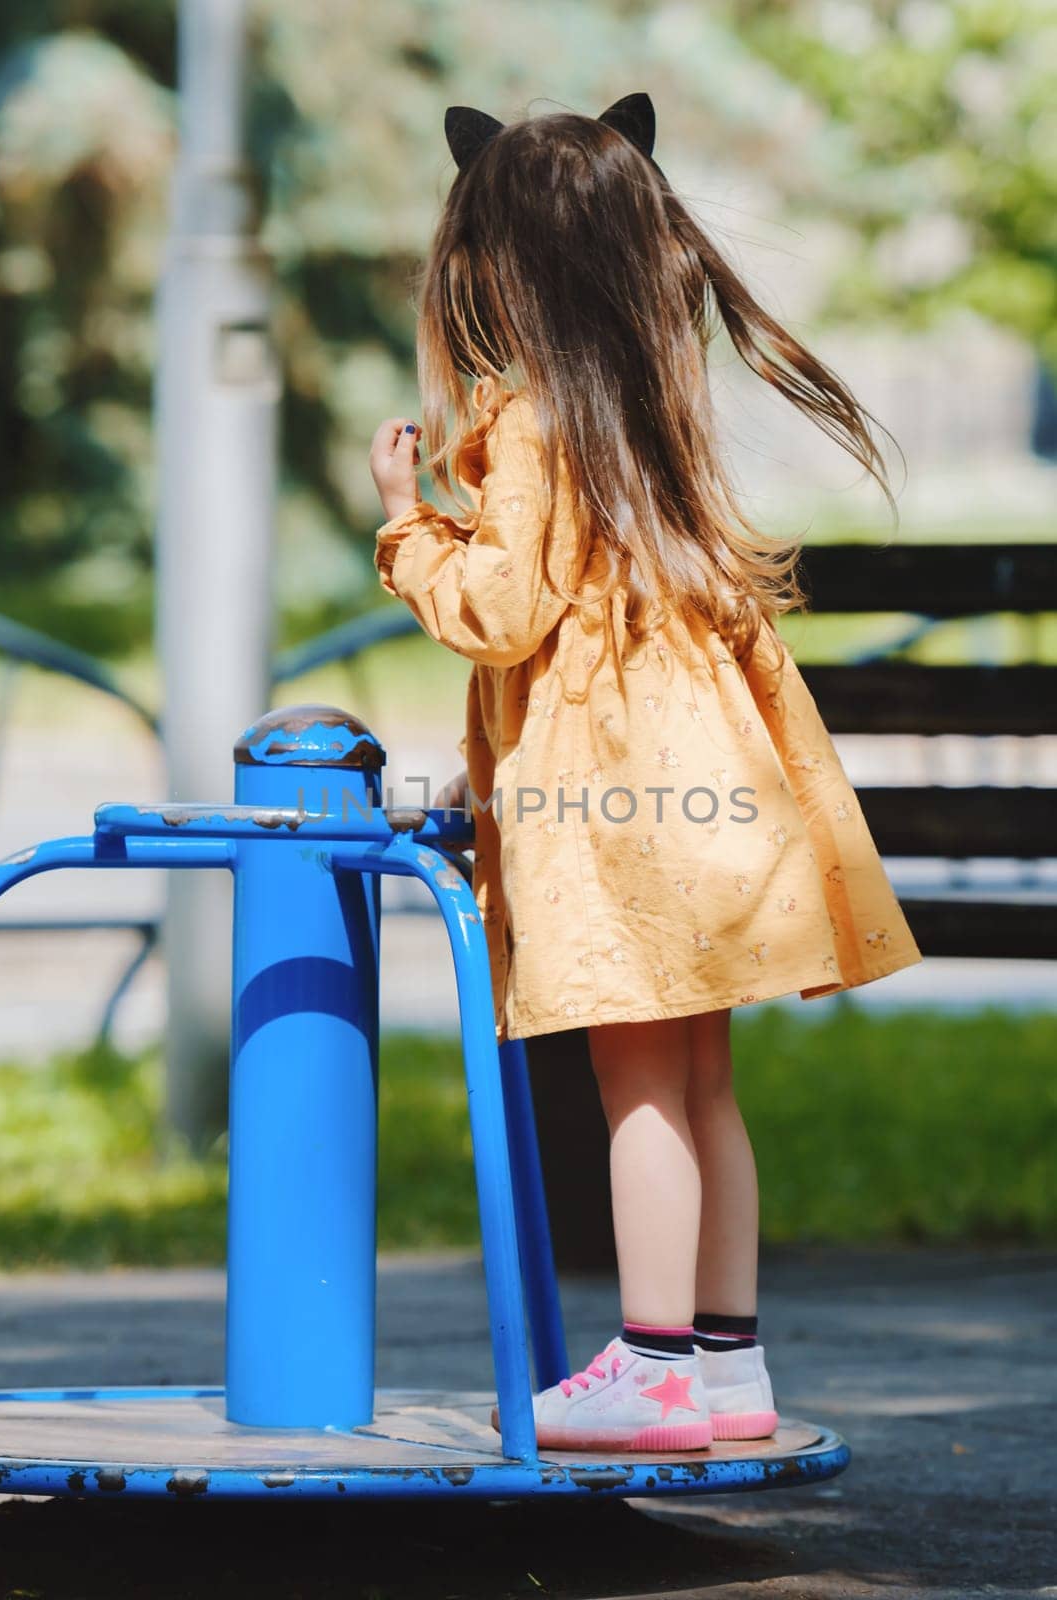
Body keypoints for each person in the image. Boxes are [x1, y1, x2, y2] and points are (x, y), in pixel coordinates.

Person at [367, 92, 923, 1453]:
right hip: (714, 793)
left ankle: (657, 1364)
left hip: (623, 812)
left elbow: (499, 610)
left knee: (635, 1095)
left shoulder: (537, 421)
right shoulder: (652, 418)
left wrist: (405, 522)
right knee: (701, 1086)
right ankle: (730, 1367)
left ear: (493, 268)